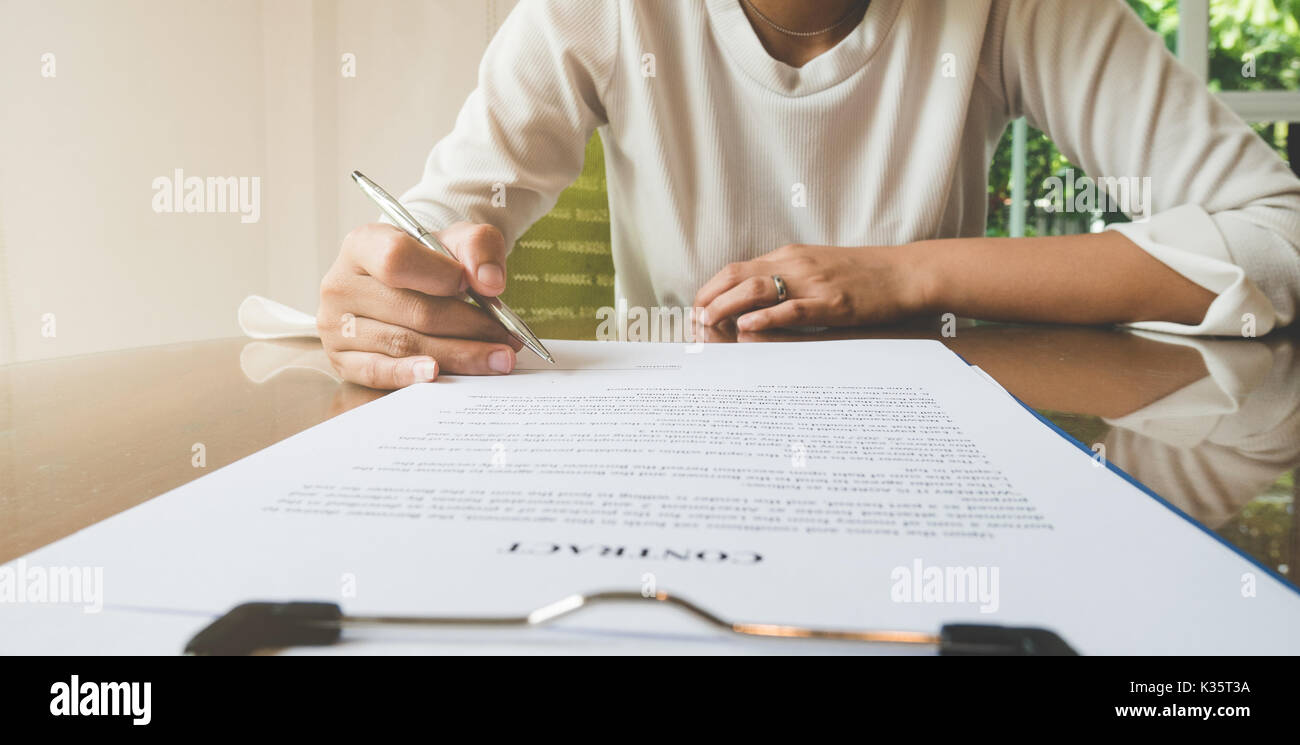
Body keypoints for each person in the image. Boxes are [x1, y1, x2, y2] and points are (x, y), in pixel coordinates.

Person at [317, 0, 1300, 389]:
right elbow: (444, 230)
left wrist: (903, 274)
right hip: (667, 460)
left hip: (921, 463)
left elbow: (1279, 233)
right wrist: (400, 289)